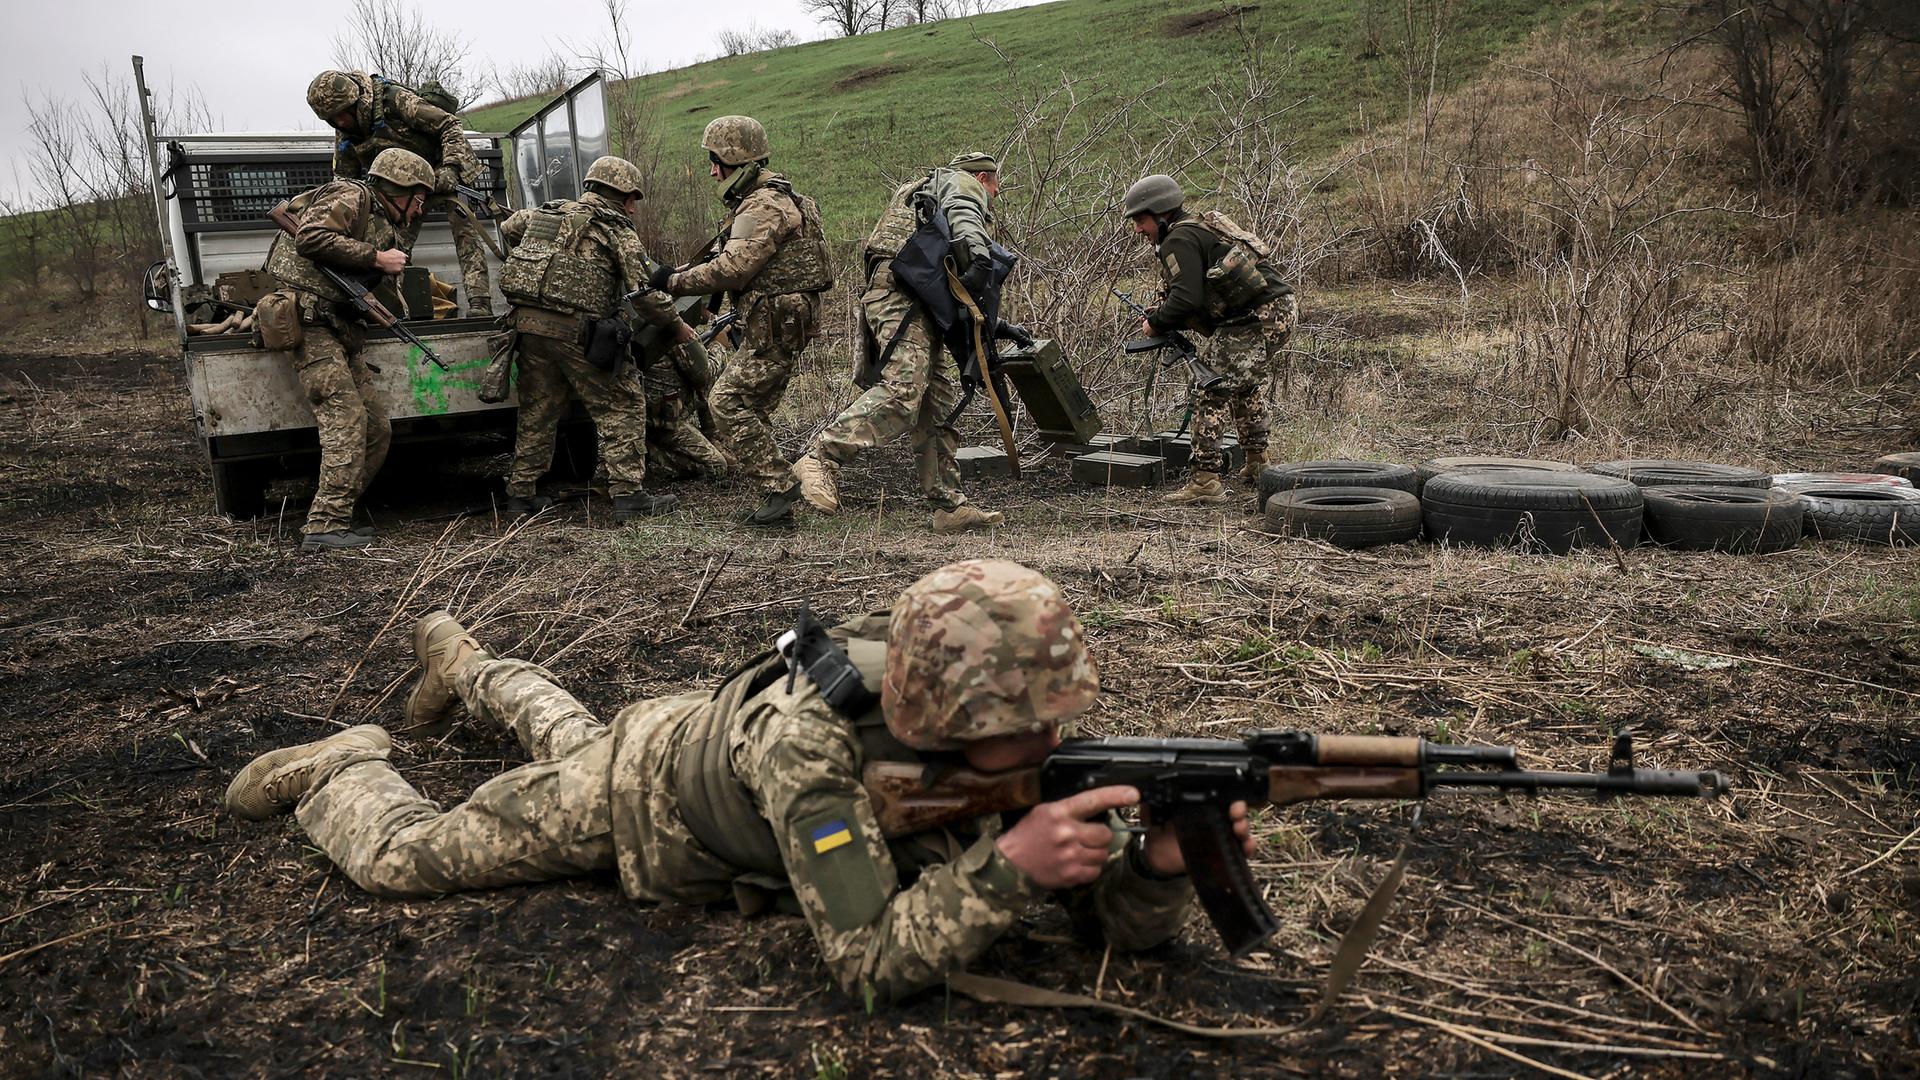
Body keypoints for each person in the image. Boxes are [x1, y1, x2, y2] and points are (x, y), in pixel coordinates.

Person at [224, 559, 1251, 1004]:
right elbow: (867, 963)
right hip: (640, 796)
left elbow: (1110, 926)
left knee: (564, 732)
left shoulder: (1005, 712)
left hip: (697, 740)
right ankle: (341, 768)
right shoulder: (817, 752)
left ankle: (466, 665)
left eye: (1054, 718)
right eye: (1025, 728)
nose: (1052, 740)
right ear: (945, 720)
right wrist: (1006, 872)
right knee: (408, 859)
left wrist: (1158, 868)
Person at [783, 153, 1018, 533]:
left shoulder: (929, 195)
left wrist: (999, 326)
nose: (995, 195)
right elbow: (964, 214)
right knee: (905, 388)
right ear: (981, 177)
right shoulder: (960, 184)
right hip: (901, 298)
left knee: (937, 401)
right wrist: (979, 258)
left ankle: (948, 505)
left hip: (914, 301)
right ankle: (820, 457)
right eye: (994, 187)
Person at [649, 116, 833, 524]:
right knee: (752, 407)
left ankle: (780, 485)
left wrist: (672, 281)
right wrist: (690, 275)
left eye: (716, 162)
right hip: (781, 321)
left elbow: (733, 268)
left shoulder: (763, 205)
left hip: (775, 324)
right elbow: (731, 256)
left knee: (725, 401)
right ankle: (774, 498)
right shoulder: (774, 198)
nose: (712, 172)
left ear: (738, 162)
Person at [495, 156, 695, 520]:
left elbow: (509, 228)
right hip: (576, 331)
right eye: (633, 200)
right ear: (623, 197)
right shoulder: (615, 229)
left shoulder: (546, 213)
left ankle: (521, 495)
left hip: (529, 327)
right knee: (623, 403)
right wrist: (677, 325)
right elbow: (645, 294)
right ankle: (628, 494)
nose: (633, 209)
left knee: (538, 410)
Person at [257, 147, 435, 550]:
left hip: (339, 326)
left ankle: (338, 513)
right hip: (310, 323)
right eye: (419, 199)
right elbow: (309, 237)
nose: (420, 209)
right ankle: (324, 525)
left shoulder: (382, 220)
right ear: (400, 188)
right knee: (347, 417)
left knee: (377, 427)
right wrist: (377, 258)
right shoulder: (352, 195)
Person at [1121, 174, 1296, 505]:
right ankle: (1257, 463)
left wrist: (1154, 323)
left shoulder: (1176, 239)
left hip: (1256, 317)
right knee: (1242, 384)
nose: (1138, 229)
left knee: (1210, 389)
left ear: (1160, 213)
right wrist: (1165, 311)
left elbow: (1186, 298)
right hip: (1278, 309)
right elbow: (1196, 295)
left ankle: (1205, 481)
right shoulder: (1197, 228)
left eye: (1141, 220)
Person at [306, 70, 496, 317]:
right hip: (405, 188)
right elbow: (344, 180)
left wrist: (450, 167)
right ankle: (398, 307)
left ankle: (480, 303)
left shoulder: (395, 99)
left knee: (465, 230)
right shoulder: (346, 133)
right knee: (393, 239)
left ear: (355, 101)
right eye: (333, 119)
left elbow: (449, 125)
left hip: (443, 168)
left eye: (343, 113)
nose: (340, 122)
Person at [642, 339, 731, 483]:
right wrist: (718, 345)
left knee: (703, 387)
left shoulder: (651, 332)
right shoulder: (676, 333)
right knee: (717, 467)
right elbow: (705, 375)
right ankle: (650, 451)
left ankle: (712, 435)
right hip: (664, 422)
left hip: (658, 411)